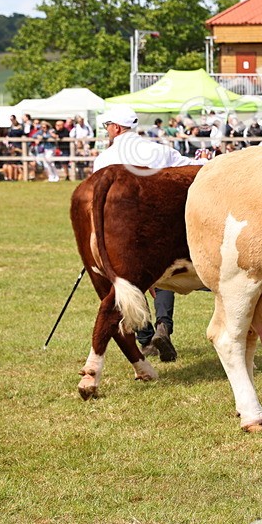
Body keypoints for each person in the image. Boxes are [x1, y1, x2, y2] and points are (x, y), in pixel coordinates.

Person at [93, 106, 204, 362]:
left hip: (119, 230)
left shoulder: (103, 160)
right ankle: (164, 326)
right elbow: (195, 170)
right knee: (162, 270)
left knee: (128, 280)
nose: (107, 130)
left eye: (108, 125)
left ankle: (145, 336)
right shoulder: (159, 150)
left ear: (116, 128)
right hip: (160, 225)